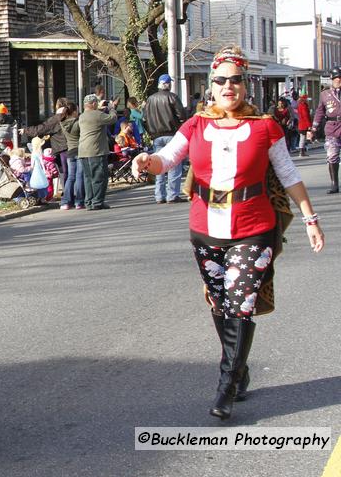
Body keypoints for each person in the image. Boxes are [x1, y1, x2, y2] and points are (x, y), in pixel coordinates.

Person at [133, 46, 325, 420]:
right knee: (221, 304)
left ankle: (227, 382)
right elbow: (167, 159)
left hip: (254, 227)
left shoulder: (265, 127)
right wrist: (146, 161)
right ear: (210, 86)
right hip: (206, 230)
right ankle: (239, 367)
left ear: (245, 85)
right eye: (220, 80)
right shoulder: (196, 126)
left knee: (241, 302)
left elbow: (289, 176)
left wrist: (310, 219)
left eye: (235, 79)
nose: (228, 86)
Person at [143, 73, 187, 204]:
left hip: (156, 136)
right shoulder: (172, 98)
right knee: (174, 164)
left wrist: (150, 133)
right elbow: (182, 116)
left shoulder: (151, 99)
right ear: (168, 84)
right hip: (172, 134)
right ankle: (172, 195)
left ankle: (159, 195)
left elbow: (144, 119)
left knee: (159, 165)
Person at [77, 93, 117, 210]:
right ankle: (98, 202)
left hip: (83, 151)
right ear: (94, 104)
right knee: (99, 177)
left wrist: (100, 108)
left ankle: (89, 202)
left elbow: (95, 116)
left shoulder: (82, 116)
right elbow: (113, 118)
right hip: (96, 151)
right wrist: (112, 108)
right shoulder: (98, 115)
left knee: (88, 178)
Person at [22, 98, 70, 193]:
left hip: (61, 148)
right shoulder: (72, 117)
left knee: (64, 172)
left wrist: (26, 130)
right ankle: (71, 192)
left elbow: (42, 128)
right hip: (71, 147)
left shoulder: (55, 120)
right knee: (70, 172)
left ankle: (67, 193)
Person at [307, 66, 341, 193]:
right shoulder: (325, 94)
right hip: (332, 127)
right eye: (337, 78)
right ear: (332, 79)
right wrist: (313, 128)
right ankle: (334, 184)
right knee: (332, 156)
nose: (339, 80)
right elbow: (320, 112)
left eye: (340, 77)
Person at [60, 101, 85, 210]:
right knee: (79, 176)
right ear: (74, 112)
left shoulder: (63, 123)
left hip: (70, 151)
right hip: (80, 150)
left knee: (71, 177)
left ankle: (66, 201)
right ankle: (79, 201)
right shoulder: (78, 123)